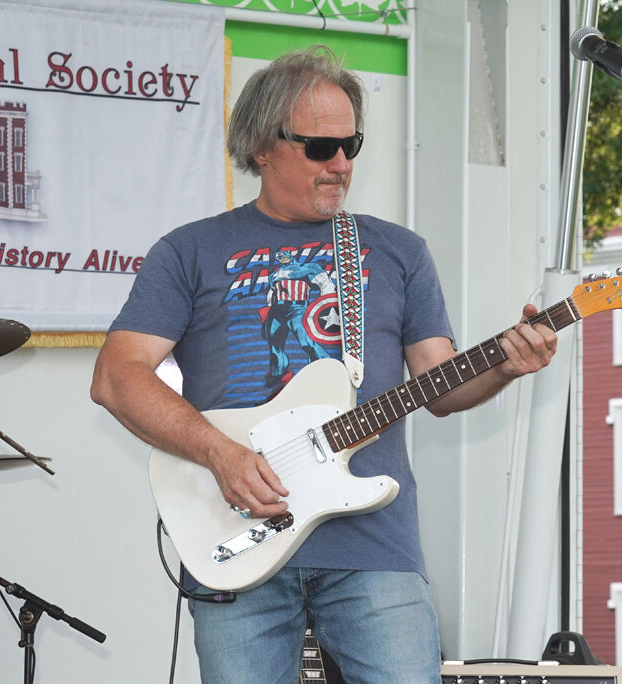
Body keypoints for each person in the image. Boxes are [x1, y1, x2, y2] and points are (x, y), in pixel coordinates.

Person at [90, 45, 558, 684]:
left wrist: (506, 362)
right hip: (236, 535)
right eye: (319, 148)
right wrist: (220, 455)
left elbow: (440, 385)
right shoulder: (190, 251)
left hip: (376, 546)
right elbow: (119, 377)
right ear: (262, 145)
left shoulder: (398, 251)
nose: (341, 164)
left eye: (351, 145)